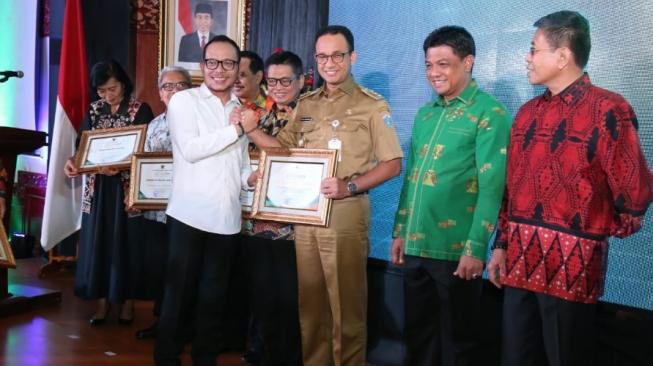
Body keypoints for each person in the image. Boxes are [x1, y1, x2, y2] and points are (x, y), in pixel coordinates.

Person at [486, 11, 653, 366]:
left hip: (573, 271)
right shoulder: (527, 114)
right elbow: (511, 188)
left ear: (563, 56)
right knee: (515, 356)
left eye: (534, 50)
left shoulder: (610, 109)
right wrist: (501, 244)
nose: (527, 58)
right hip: (519, 263)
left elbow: (634, 190)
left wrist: (589, 235)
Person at [242, 25, 403, 366]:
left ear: (351, 57)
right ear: (316, 60)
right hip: (306, 216)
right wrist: (255, 139)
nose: (330, 63)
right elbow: (283, 150)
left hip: (345, 212)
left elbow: (392, 164)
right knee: (311, 306)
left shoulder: (372, 105)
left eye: (337, 55)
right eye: (323, 56)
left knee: (347, 308)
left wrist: (351, 186)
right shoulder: (307, 104)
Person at [389, 26, 511, 366]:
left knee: (457, 344)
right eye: (429, 65)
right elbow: (412, 177)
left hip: (457, 252)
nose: (433, 73)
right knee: (418, 336)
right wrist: (400, 231)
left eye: (443, 64)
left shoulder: (490, 113)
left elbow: (492, 188)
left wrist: (475, 247)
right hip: (414, 244)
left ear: (468, 62)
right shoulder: (426, 113)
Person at [154, 35, 257, 366]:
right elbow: (191, 149)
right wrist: (238, 130)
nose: (220, 70)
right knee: (178, 300)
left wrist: (251, 179)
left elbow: (239, 167)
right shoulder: (184, 102)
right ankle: (166, 360)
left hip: (226, 220)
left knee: (213, 303)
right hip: (188, 217)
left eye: (228, 63)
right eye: (213, 62)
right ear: (202, 66)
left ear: (237, 69)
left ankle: (205, 360)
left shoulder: (238, 111)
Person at [64, 60, 154, 326]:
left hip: (125, 187)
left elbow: (145, 150)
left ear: (123, 84)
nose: (107, 95)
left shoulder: (140, 109)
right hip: (98, 187)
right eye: (101, 91)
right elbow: (82, 146)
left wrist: (121, 165)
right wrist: (73, 161)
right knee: (98, 243)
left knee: (126, 244)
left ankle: (127, 304)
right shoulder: (94, 110)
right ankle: (101, 302)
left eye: (111, 89)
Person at [239, 50, 305, 366]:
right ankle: (260, 348)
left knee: (289, 293)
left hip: (292, 220)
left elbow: (291, 154)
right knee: (261, 289)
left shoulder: (309, 116)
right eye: (272, 80)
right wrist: (248, 177)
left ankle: (287, 355)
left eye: (285, 80)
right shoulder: (257, 114)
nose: (277, 87)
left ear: (302, 81)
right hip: (256, 217)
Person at [134, 66, 192, 340]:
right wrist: (133, 192)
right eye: (168, 86)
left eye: (181, 85)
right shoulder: (153, 125)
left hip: (189, 213)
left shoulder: (200, 124)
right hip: (155, 214)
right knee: (160, 269)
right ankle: (163, 323)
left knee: (185, 272)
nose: (174, 91)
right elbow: (139, 165)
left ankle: (183, 327)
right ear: (160, 93)